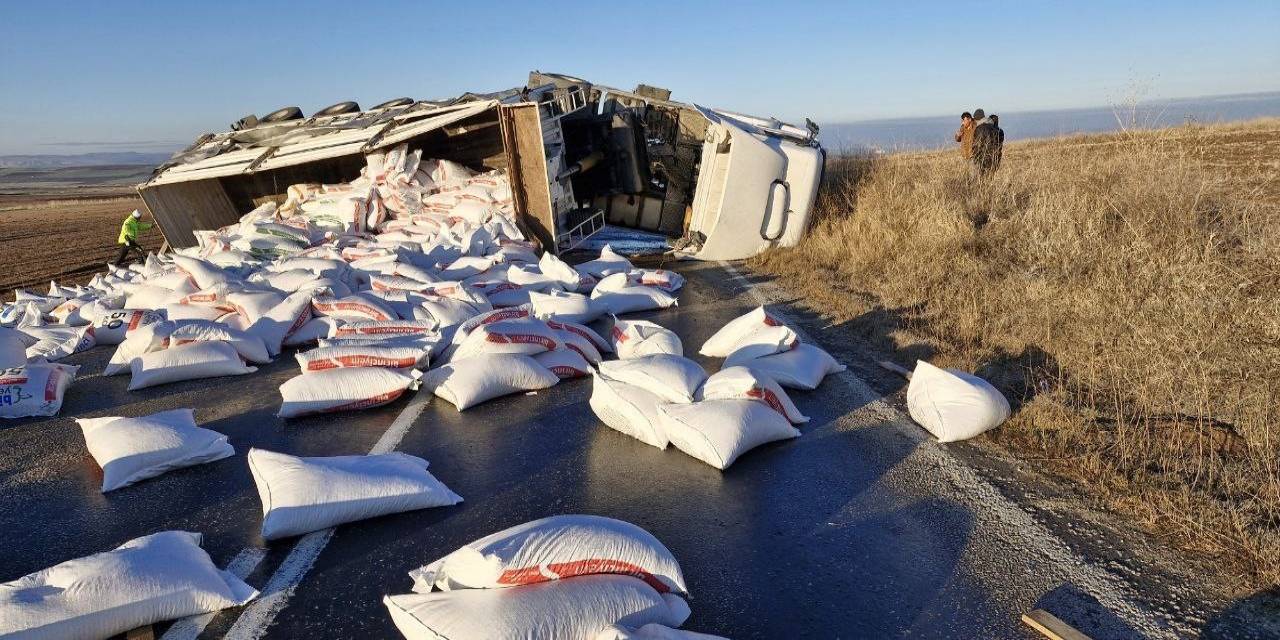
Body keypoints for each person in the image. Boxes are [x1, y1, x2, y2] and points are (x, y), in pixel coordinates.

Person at [972, 112, 1005, 177]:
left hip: (982, 156)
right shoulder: (999, 130)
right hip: (995, 155)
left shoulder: (979, 128)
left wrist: (975, 156)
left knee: (981, 175)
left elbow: (976, 144)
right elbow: (1000, 144)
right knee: (992, 174)